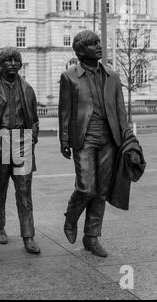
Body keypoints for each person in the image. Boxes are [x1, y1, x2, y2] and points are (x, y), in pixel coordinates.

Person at [58, 30, 133, 257]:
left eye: (99, 42)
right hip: (84, 137)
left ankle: (91, 237)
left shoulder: (113, 76)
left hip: (109, 138)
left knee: (101, 190)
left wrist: (127, 137)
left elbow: (120, 111)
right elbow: (65, 111)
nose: (99, 46)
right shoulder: (69, 76)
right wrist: (64, 139)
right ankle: (71, 217)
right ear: (81, 50)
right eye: (93, 44)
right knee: (86, 187)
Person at [0, 47, 40, 254]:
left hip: (22, 144)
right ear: (0, 64)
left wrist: (32, 137)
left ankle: (28, 235)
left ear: (20, 63)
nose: (11, 63)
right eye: (7, 60)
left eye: (15, 60)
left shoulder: (27, 89)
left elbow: (34, 119)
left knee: (24, 193)